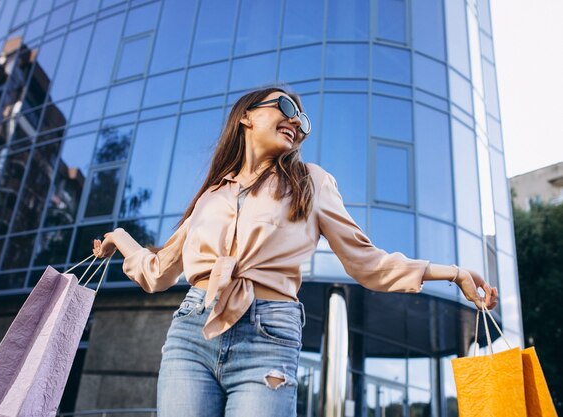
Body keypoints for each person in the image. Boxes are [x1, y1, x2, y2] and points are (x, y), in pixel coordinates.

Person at [92, 86, 498, 417]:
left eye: (302, 121)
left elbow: (367, 262)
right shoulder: (211, 196)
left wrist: (453, 272)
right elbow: (158, 272)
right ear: (247, 116)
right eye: (286, 107)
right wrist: (120, 238)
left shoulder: (311, 184)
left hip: (268, 335)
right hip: (191, 332)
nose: (296, 123)